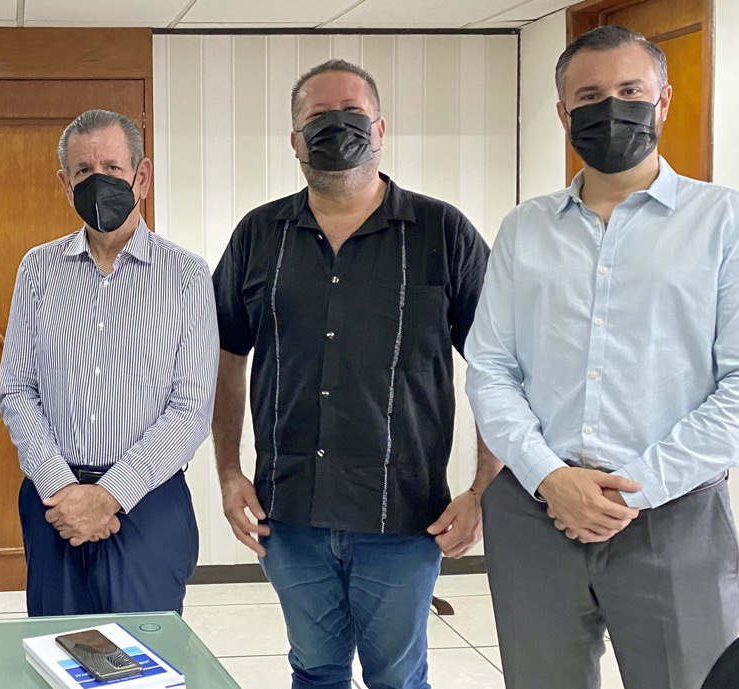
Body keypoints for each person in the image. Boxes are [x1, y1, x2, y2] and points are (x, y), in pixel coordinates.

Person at [212, 60, 501, 689]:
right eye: (318, 116)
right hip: (288, 512)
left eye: (352, 112)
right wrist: (229, 472)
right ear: (294, 139)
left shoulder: (442, 232)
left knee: (397, 679)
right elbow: (227, 356)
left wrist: (484, 489)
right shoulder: (259, 234)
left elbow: (498, 366)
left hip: (404, 515)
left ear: (380, 129)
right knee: (315, 672)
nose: (336, 126)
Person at [465, 25, 739, 689]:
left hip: (674, 513)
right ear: (564, 115)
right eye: (589, 96)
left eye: (630, 91)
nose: (611, 108)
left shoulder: (723, 222)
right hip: (536, 510)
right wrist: (550, 476)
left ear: (663, 100)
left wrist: (632, 487)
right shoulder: (525, 228)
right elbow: (490, 370)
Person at [0, 109, 217, 616]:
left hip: (148, 501)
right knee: (59, 647)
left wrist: (110, 495)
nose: (99, 181)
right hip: (54, 503)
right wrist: (61, 488)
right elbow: (17, 389)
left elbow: (190, 410)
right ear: (65, 184)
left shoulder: (186, 275)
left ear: (141, 177)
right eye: (84, 171)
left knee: (144, 651)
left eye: (113, 169)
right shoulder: (38, 269)